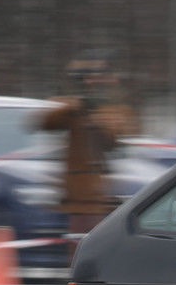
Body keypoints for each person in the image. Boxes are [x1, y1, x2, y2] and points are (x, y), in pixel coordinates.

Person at [38, 52, 137, 253]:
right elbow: (46, 122)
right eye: (85, 78)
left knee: (94, 246)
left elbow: (113, 140)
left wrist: (94, 118)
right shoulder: (71, 106)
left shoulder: (110, 108)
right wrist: (74, 107)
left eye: (94, 77)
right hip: (79, 193)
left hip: (98, 194)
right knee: (78, 245)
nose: (90, 82)